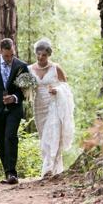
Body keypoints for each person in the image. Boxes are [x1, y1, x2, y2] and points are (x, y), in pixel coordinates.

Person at [0, 38, 29, 185]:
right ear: (0, 51)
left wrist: (14, 97)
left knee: (10, 136)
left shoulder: (22, 66)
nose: (9, 59)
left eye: (12, 55)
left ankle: (12, 173)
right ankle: (7, 172)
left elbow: (25, 91)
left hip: (14, 109)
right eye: (7, 55)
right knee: (1, 141)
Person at [28, 38, 75, 179]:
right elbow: (26, 86)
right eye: (38, 54)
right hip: (39, 105)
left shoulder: (56, 68)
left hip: (54, 104)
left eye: (44, 55)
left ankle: (48, 170)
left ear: (49, 55)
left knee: (53, 135)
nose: (40, 57)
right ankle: (53, 168)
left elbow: (65, 86)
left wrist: (57, 90)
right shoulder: (29, 69)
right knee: (44, 138)